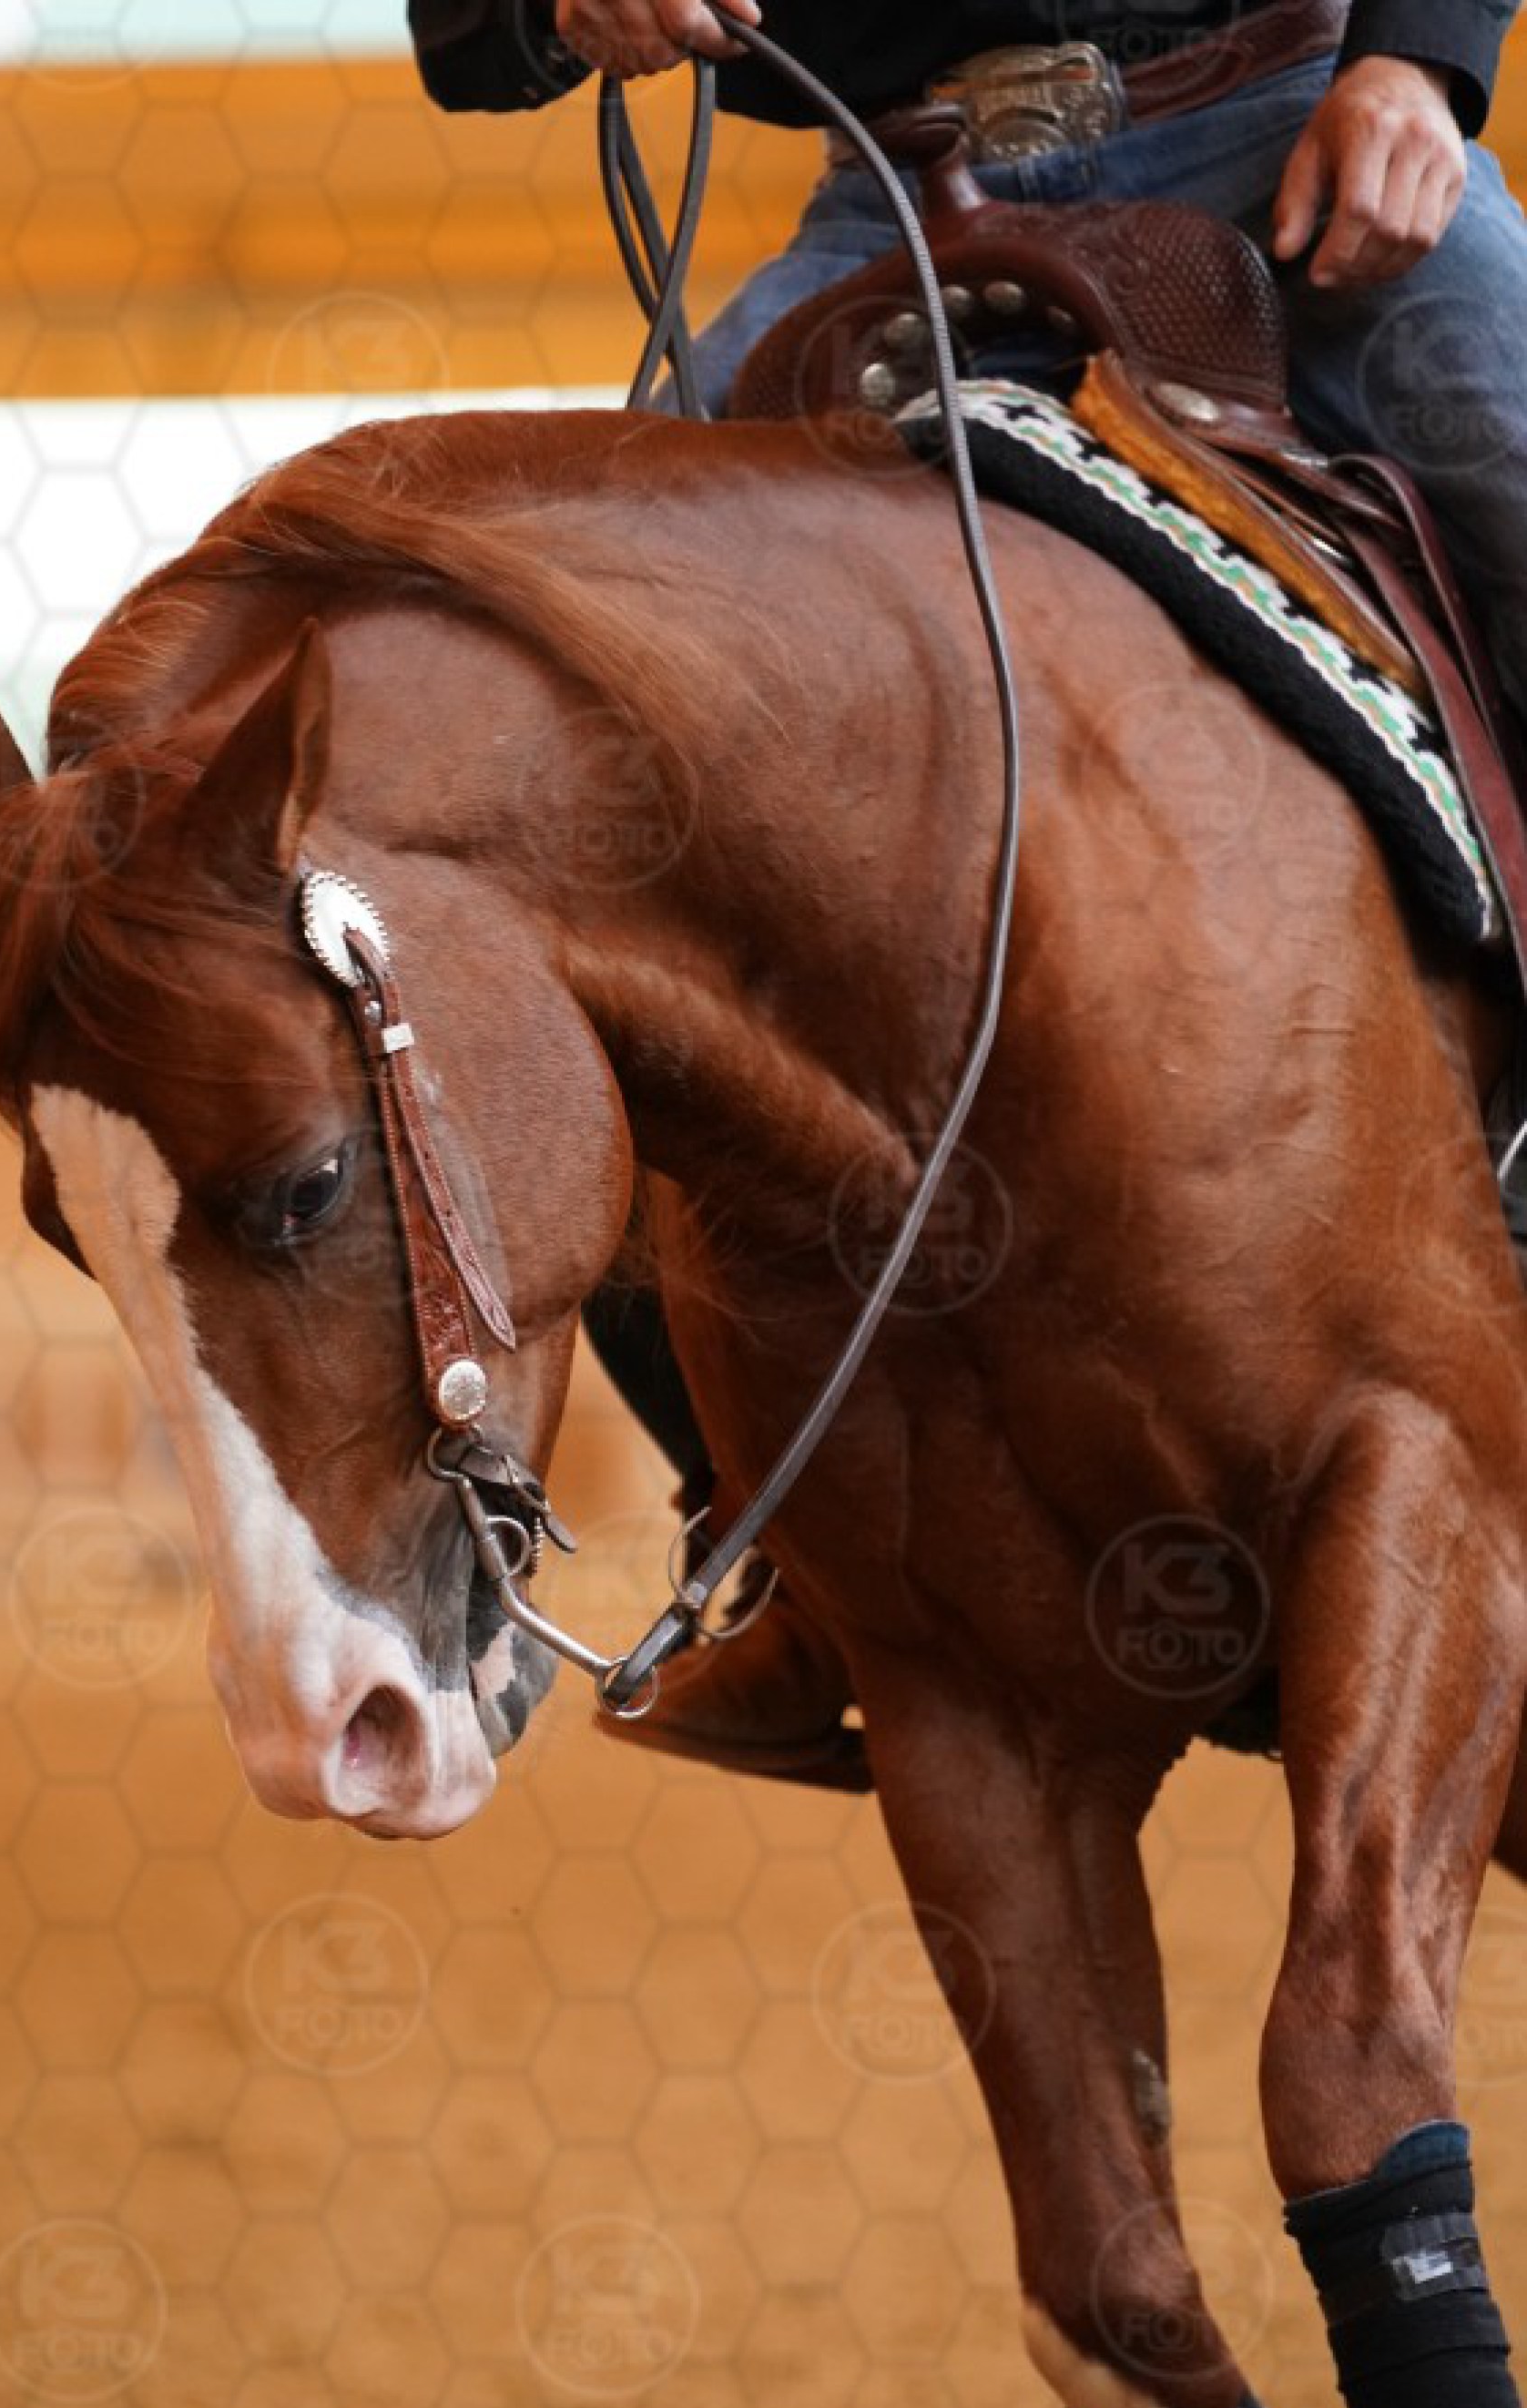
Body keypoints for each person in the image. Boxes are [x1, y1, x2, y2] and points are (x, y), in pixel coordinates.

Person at [409, 0, 1527, 1785]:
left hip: (1295, 130)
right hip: (893, 189)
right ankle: (776, 1531)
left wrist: (1420, 61)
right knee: (584, 790)